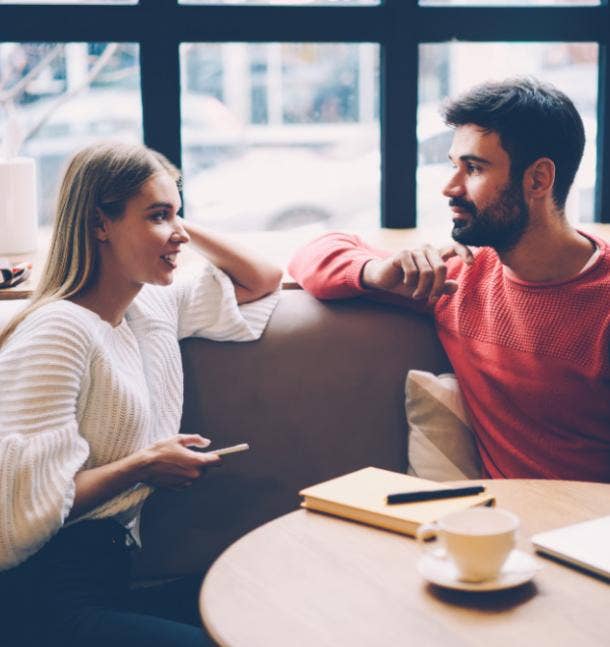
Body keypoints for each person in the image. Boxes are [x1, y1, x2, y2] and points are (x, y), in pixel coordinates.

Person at [0, 141, 282, 647]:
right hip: (43, 595)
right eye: (155, 216)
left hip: (106, 580)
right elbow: (18, 512)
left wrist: (172, 227)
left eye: (178, 213)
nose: (177, 234)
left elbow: (262, 277)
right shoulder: (59, 330)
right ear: (98, 224)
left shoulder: (150, 309)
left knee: (273, 604)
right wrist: (144, 465)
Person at [289, 77, 610, 483]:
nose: (450, 187)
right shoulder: (456, 278)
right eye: (453, 166)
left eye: (473, 168)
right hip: (499, 531)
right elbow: (311, 255)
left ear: (538, 180)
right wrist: (377, 274)